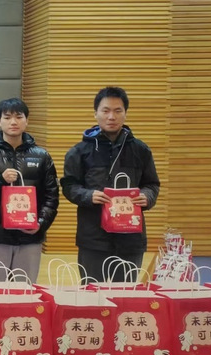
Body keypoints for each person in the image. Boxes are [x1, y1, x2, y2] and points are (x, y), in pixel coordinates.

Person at [61, 87, 160, 282]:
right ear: (96, 113)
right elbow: (69, 186)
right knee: (92, 293)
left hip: (130, 238)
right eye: (105, 110)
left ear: (125, 113)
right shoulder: (79, 151)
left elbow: (152, 184)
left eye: (117, 111)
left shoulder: (141, 150)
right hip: (93, 238)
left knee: (125, 295)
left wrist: (147, 196)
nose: (111, 117)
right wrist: (88, 196)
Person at [0, 98, 59, 283]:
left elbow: (51, 197)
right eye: (7, 117)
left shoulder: (42, 156)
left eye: (18, 117)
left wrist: (40, 223)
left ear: (26, 120)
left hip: (30, 237)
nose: (13, 122)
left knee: (25, 291)